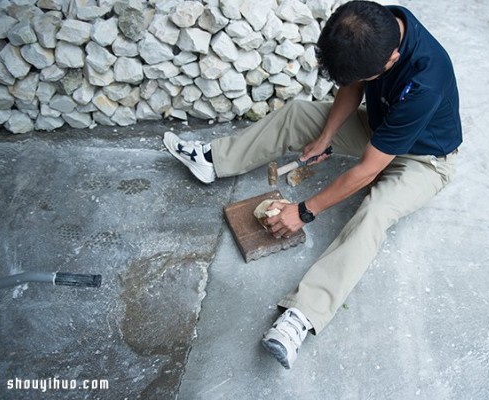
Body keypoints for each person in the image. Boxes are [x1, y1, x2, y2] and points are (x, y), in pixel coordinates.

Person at [163, 1, 462, 369]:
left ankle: (303, 315)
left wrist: (303, 211)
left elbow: (368, 170)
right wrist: (325, 137)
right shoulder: (371, 28)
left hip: (424, 160)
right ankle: (213, 161)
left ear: (393, 58)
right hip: (382, 128)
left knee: (375, 212)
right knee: (299, 114)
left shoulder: (426, 80)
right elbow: (353, 87)